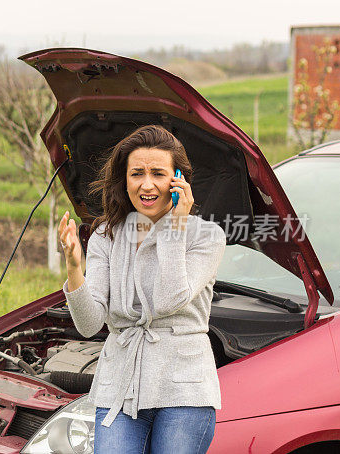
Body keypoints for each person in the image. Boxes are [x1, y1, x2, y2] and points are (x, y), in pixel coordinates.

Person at [58, 125, 227, 453]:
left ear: (177, 180)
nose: (147, 184)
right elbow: (90, 324)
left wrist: (176, 225)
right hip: (120, 384)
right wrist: (75, 269)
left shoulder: (206, 237)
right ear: (124, 179)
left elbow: (169, 299)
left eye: (158, 173)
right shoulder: (107, 234)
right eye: (137, 173)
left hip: (184, 388)